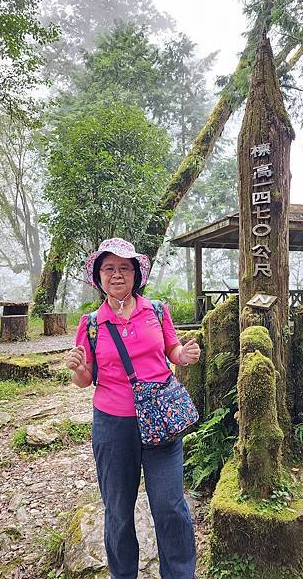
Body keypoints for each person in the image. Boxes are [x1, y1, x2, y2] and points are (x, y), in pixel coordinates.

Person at [65, 238, 200, 579]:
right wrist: (79, 369)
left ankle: (181, 574)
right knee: (119, 511)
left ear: (136, 274)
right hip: (113, 426)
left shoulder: (156, 311)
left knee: (170, 506)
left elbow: (172, 349)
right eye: (108, 268)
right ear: (99, 277)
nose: (117, 274)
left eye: (124, 268)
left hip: (160, 420)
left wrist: (182, 356)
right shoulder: (91, 324)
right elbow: (86, 379)